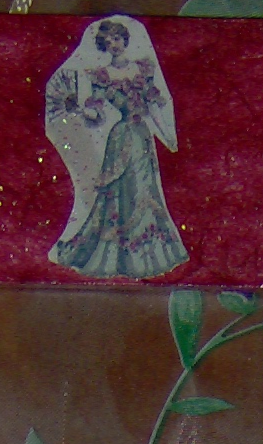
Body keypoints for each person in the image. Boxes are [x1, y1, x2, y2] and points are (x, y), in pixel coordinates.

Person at [45, 15, 186, 280]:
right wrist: (82, 111)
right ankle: (119, 255)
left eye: (118, 39)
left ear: (125, 40)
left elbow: (153, 107)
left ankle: (146, 252)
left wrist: (168, 135)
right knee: (119, 191)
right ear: (104, 47)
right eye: (109, 42)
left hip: (142, 138)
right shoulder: (101, 77)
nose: (115, 45)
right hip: (120, 137)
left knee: (144, 189)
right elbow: (97, 117)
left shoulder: (143, 70)